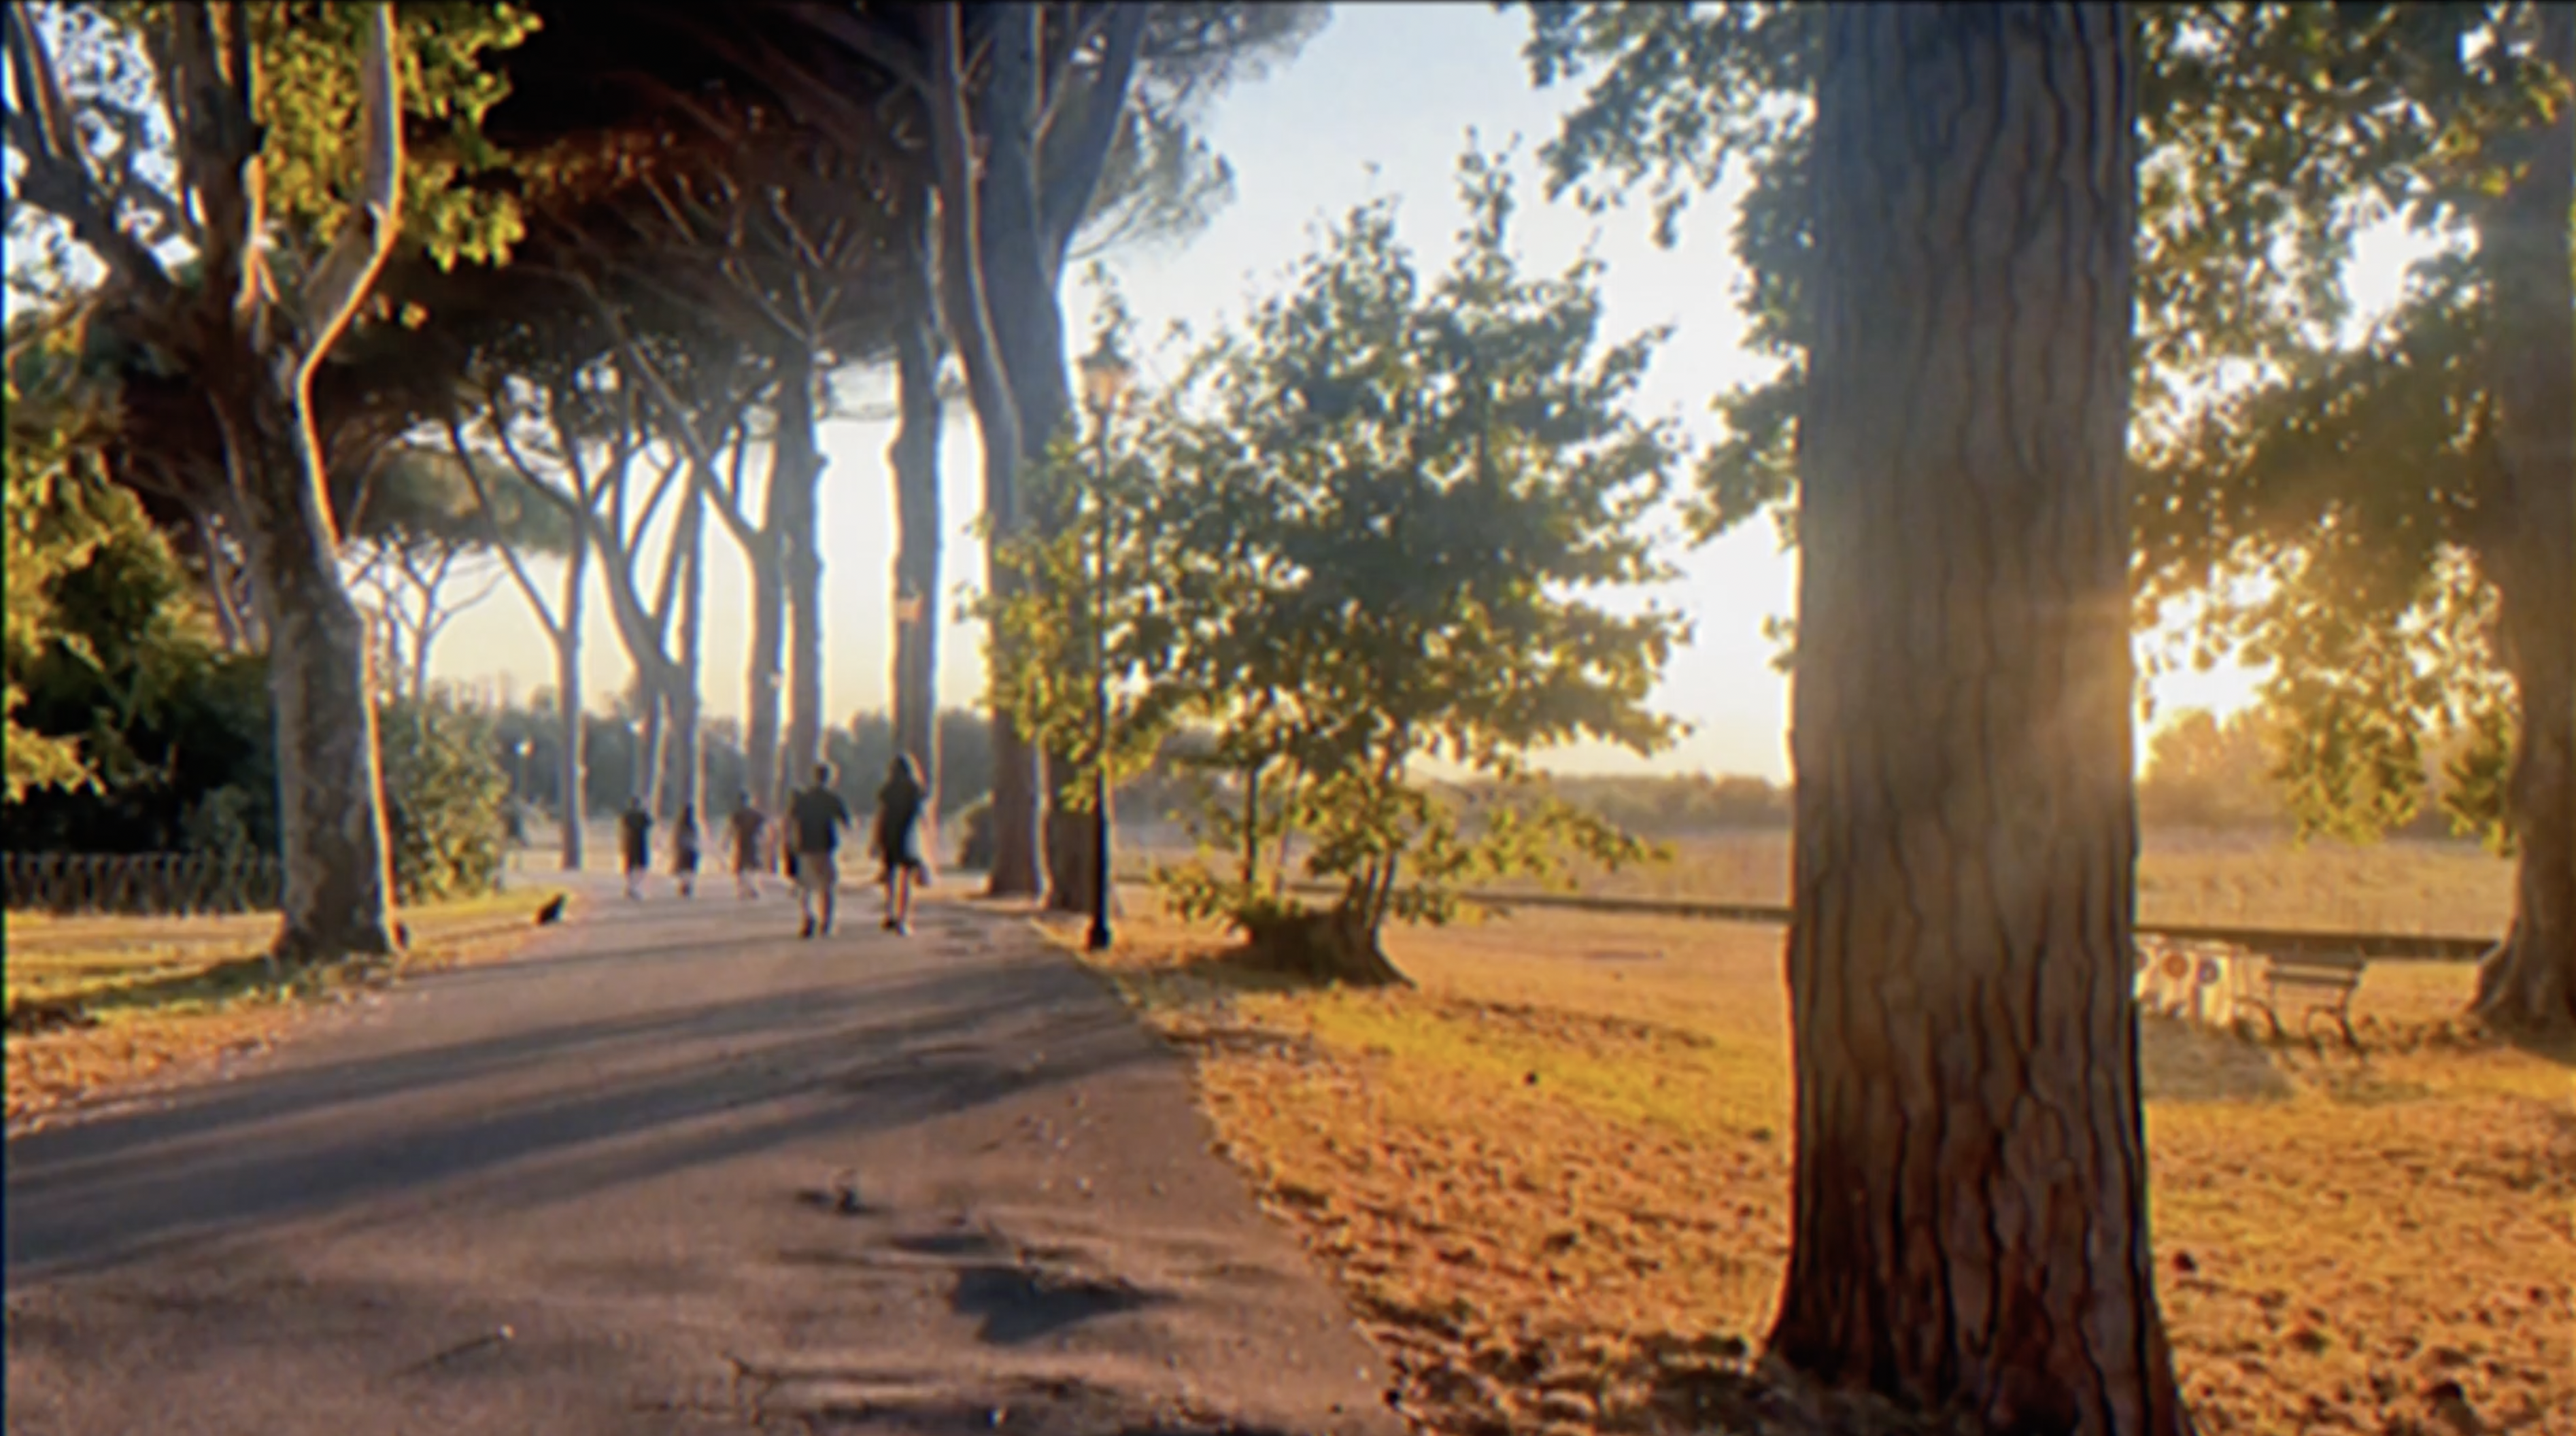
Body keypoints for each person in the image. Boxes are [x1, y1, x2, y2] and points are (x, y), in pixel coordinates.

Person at [787, 763, 851, 939]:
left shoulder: (804, 798)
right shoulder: (832, 798)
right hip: (826, 846)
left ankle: (808, 917)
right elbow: (846, 822)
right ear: (830, 778)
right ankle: (827, 922)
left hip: (806, 846)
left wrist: (793, 844)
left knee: (806, 887)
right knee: (828, 886)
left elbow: (792, 821)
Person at [874, 755, 930, 935]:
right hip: (907, 833)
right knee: (905, 880)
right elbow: (920, 813)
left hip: (889, 834)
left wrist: (876, 839)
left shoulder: (887, 789)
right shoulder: (914, 789)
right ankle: (903, 917)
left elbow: (881, 814)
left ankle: (890, 912)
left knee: (890, 878)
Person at [728, 791, 766, 900]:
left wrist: (726, 841)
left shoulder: (737, 814)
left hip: (741, 842)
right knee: (752, 866)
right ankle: (752, 888)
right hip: (752, 842)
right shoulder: (755, 814)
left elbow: (732, 829)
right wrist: (762, 838)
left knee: (741, 867)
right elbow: (761, 828)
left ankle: (742, 889)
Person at [618, 797, 652, 900]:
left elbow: (624, 827)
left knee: (631, 868)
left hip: (630, 844)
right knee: (640, 868)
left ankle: (631, 887)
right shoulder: (643, 815)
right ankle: (635, 888)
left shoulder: (628, 816)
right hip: (641, 844)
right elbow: (649, 823)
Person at [671, 803, 701, 899]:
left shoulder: (680, 825)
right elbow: (695, 837)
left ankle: (684, 885)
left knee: (683, 869)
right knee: (690, 869)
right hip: (690, 849)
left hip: (682, 849)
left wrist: (675, 847)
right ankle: (688, 886)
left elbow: (676, 837)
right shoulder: (693, 825)